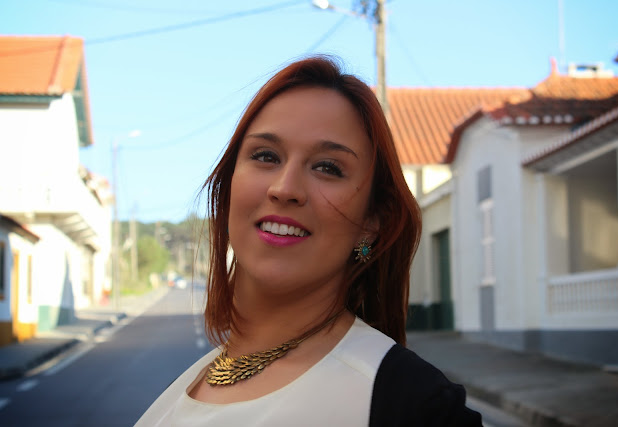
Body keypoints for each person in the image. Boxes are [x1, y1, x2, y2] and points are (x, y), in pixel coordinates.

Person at [136, 56, 482, 426]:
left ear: (371, 223)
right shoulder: (184, 387)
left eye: (327, 167)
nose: (285, 188)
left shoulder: (415, 407)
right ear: (229, 187)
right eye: (266, 156)